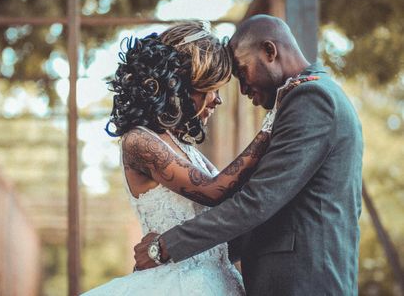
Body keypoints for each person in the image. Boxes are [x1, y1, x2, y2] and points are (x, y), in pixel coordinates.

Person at [133, 15, 364, 296]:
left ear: (269, 51)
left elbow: (259, 200)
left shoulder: (312, 98)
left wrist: (167, 246)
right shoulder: (306, 96)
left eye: (242, 73)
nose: (242, 90)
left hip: (305, 283)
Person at [82, 21, 308, 295]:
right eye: (210, 88)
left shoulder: (183, 148)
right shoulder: (138, 141)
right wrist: (270, 126)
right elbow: (213, 191)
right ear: (179, 84)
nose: (217, 100)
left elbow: (232, 195)